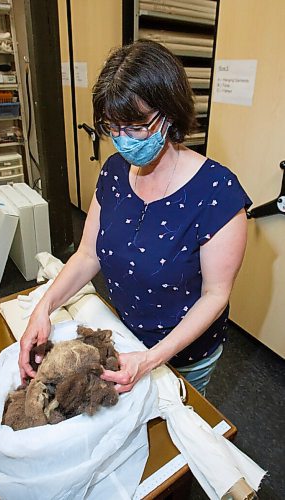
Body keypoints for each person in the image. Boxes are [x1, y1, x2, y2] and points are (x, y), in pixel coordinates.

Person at [19, 40, 252, 395]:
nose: (122, 141)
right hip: (124, 336)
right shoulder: (115, 172)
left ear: (169, 113)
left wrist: (152, 358)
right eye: (112, 127)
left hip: (184, 353)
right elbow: (87, 254)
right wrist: (44, 307)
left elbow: (215, 294)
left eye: (135, 128)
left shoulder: (218, 192)